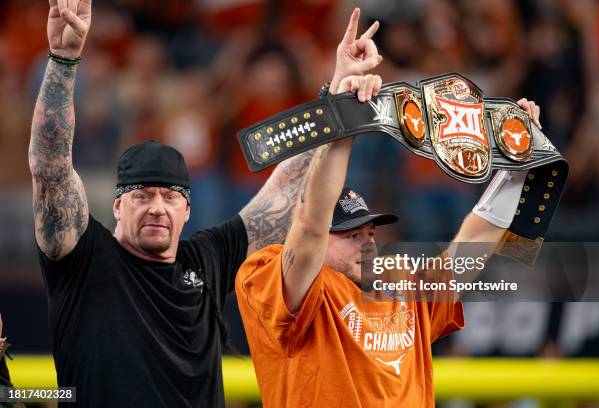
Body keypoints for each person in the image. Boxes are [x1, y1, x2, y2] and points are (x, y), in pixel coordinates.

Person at [28, 1, 380, 407]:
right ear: (118, 207)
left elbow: (286, 191)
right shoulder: (84, 258)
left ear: (187, 210)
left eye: (169, 197)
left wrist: (334, 95)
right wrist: (64, 59)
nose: (157, 207)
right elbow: (50, 169)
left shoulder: (206, 259)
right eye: (142, 196)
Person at [235, 45, 543, 408]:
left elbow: (476, 238)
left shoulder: (403, 291)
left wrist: (518, 163)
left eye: (369, 233)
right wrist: (340, 115)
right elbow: (310, 224)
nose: (367, 245)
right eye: (351, 235)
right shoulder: (278, 280)